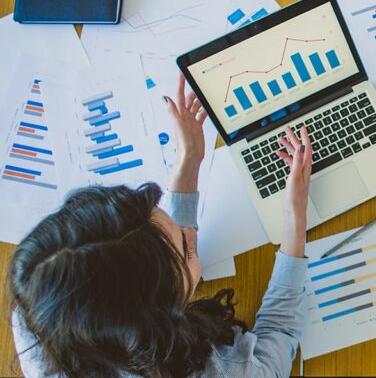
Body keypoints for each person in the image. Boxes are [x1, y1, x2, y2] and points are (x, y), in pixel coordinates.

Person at [10, 75, 312, 378]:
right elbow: (279, 335)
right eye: (185, 247)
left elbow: (140, 256)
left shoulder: (38, 305)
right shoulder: (223, 371)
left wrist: (189, 160)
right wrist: (294, 220)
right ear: (161, 319)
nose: (191, 230)